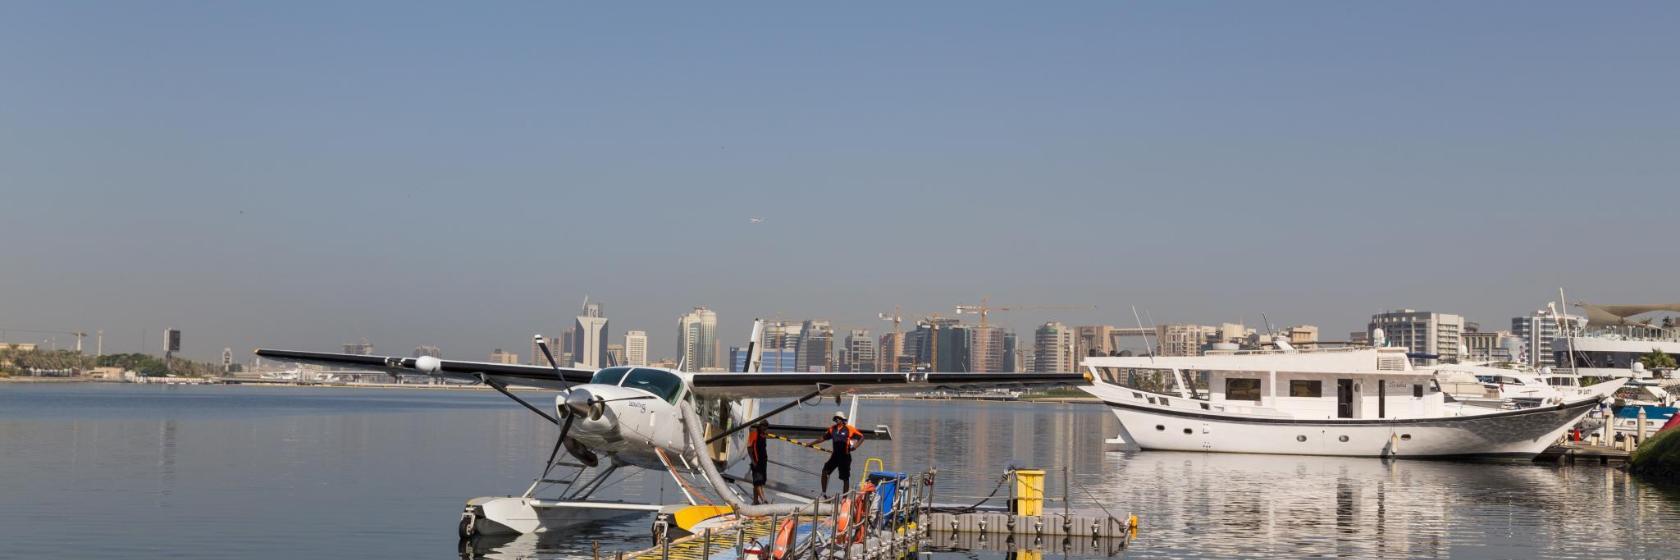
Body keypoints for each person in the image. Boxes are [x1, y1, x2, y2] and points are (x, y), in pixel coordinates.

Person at [810, 410, 863, 499]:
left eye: (838, 418)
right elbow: (823, 438)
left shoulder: (849, 429)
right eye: (836, 418)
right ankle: (823, 494)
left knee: (845, 478)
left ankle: (844, 499)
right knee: (825, 471)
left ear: (842, 420)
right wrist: (811, 443)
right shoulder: (832, 429)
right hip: (835, 456)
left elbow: (861, 437)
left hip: (845, 457)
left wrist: (854, 447)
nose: (837, 420)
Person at [747, 421, 770, 504]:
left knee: (759, 482)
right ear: (760, 426)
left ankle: (755, 501)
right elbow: (749, 449)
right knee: (758, 481)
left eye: (766, 427)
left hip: (763, 461)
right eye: (763, 426)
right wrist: (753, 461)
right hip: (756, 461)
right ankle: (763, 499)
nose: (765, 429)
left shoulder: (763, 435)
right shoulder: (754, 433)